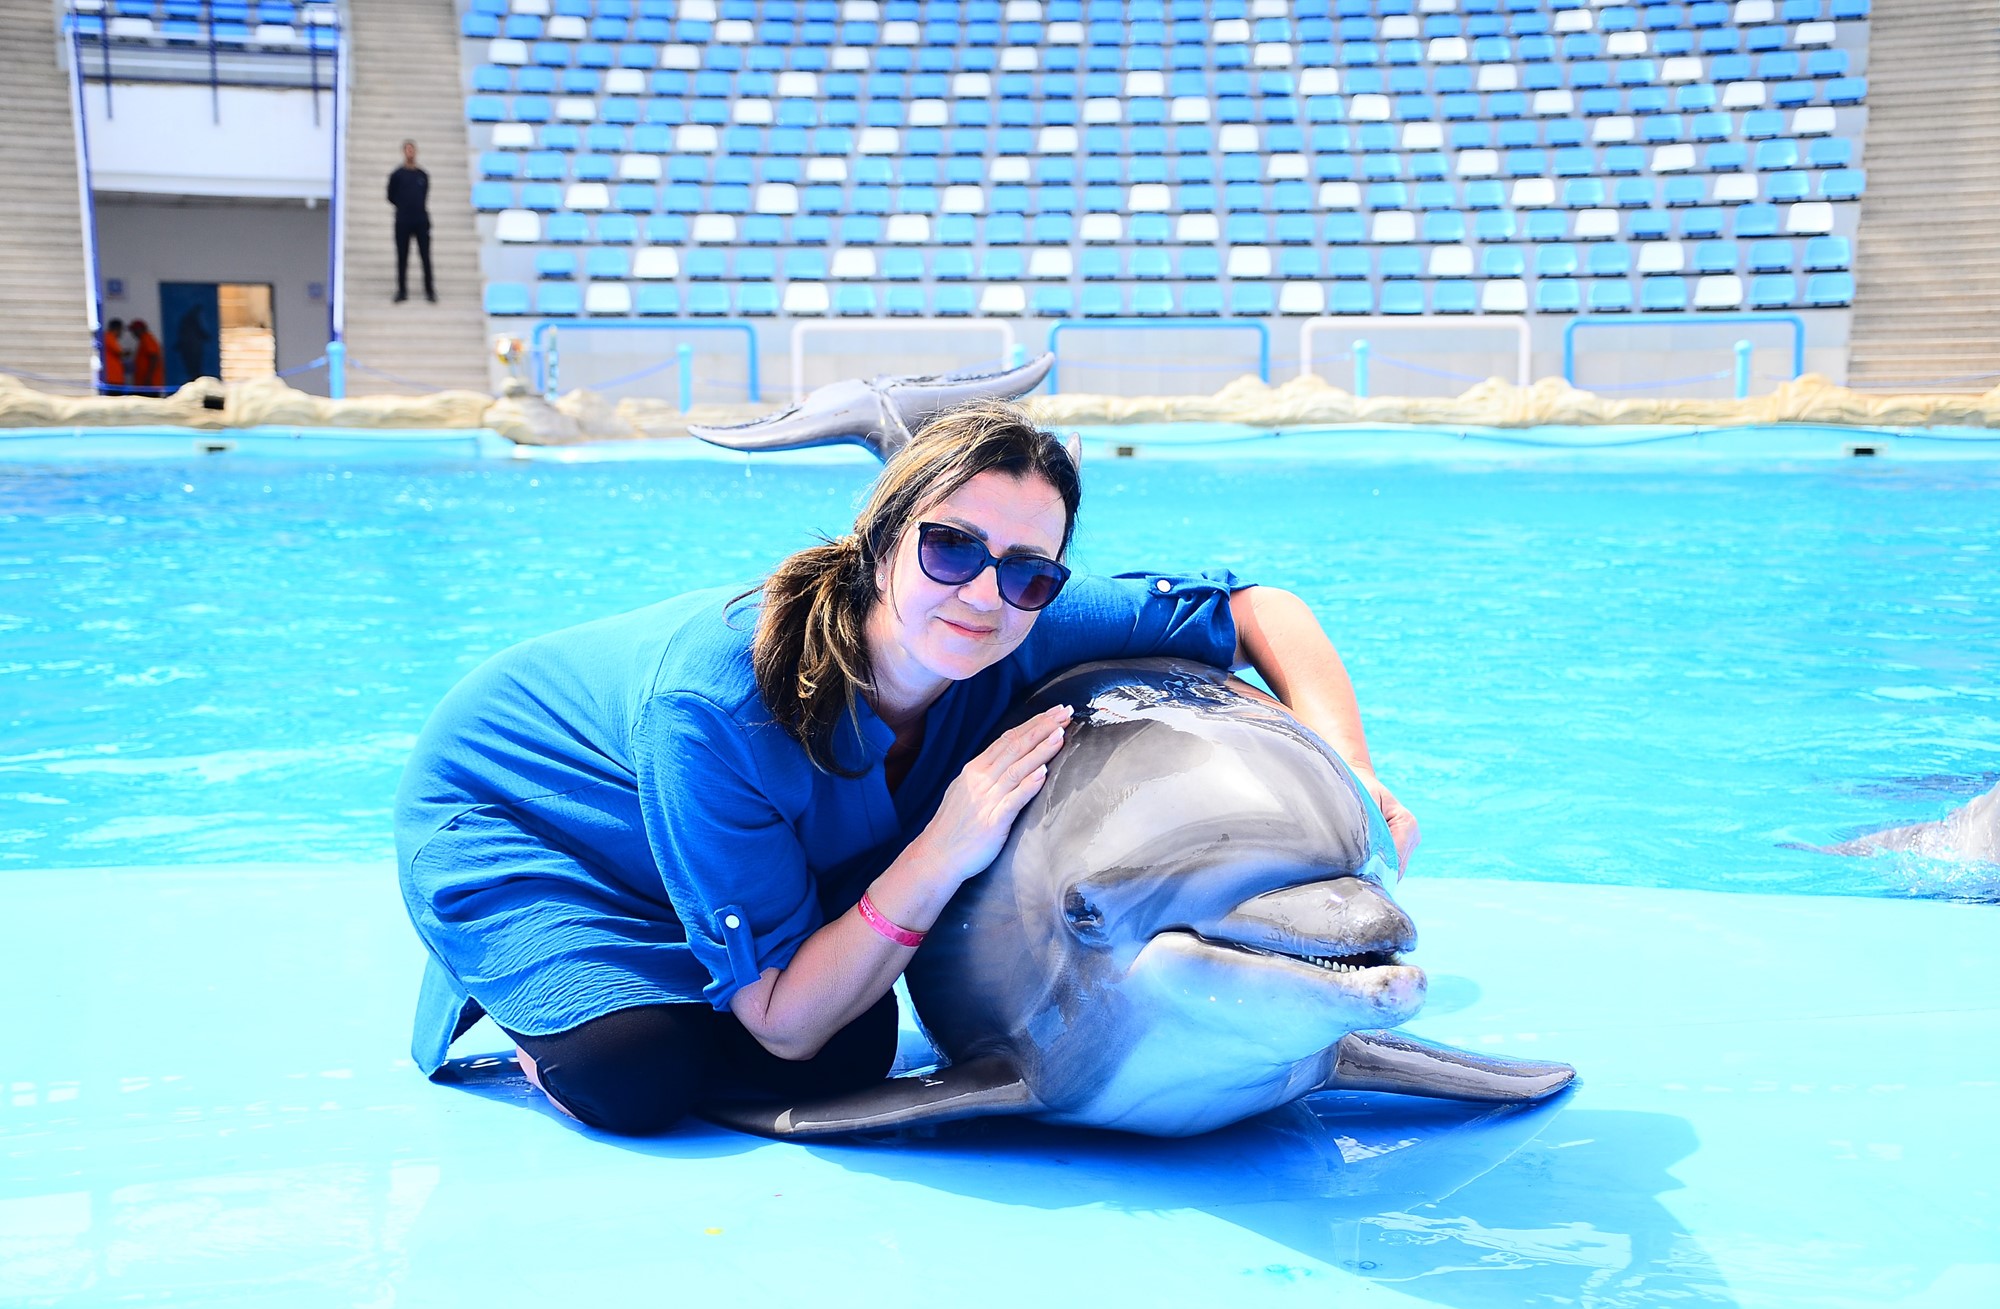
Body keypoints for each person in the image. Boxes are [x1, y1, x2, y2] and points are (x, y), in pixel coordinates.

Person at [395, 402, 1418, 1136]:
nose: (983, 594)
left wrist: (1351, 781)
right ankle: (526, 990)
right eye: (948, 549)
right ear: (878, 544)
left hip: (724, 836)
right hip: (536, 825)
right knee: (639, 1076)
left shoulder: (1016, 617)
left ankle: (720, 947)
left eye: (1029, 572)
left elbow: (1260, 609)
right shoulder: (716, 705)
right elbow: (783, 1026)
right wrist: (944, 845)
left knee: (852, 1048)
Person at [387, 140, 435, 303]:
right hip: (403, 220)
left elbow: (425, 194)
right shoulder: (397, 175)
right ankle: (402, 290)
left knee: (425, 256)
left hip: (420, 220)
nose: (410, 153)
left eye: (412, 150)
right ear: (403, 152)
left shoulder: (422, 175)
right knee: (402, 256)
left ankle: (429, 290)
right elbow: (390, 196)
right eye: (407, 150)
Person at [128, 319, 164, 395]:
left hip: (149, 384)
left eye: (134, 330)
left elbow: (154, 357)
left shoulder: (147, 339)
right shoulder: (143, 340)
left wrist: (149, 377)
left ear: (140, 329)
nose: (133, 333)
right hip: (143, 385)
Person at [98, 318, 130, 395]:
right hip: (112, 378)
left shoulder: (109, 337)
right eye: (121, 330)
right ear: (117, 329)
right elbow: (120, 352)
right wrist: (128, 352)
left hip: (113, 378)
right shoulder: (109, 337)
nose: (121, 333)